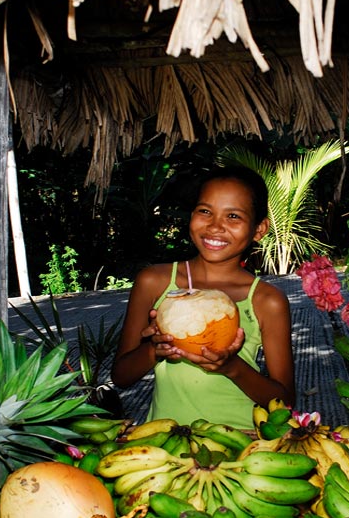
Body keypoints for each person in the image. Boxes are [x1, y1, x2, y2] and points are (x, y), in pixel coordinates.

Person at [111, 166, 295, 429]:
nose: (215, 226)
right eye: (205, 211)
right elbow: (121, 376)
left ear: (259, 229)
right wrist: (154, 349)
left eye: (233, 216)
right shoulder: (154, 282)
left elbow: (285, 401)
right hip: (165, 445)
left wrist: (231, 367)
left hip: (243, 444)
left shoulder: (267, 300)